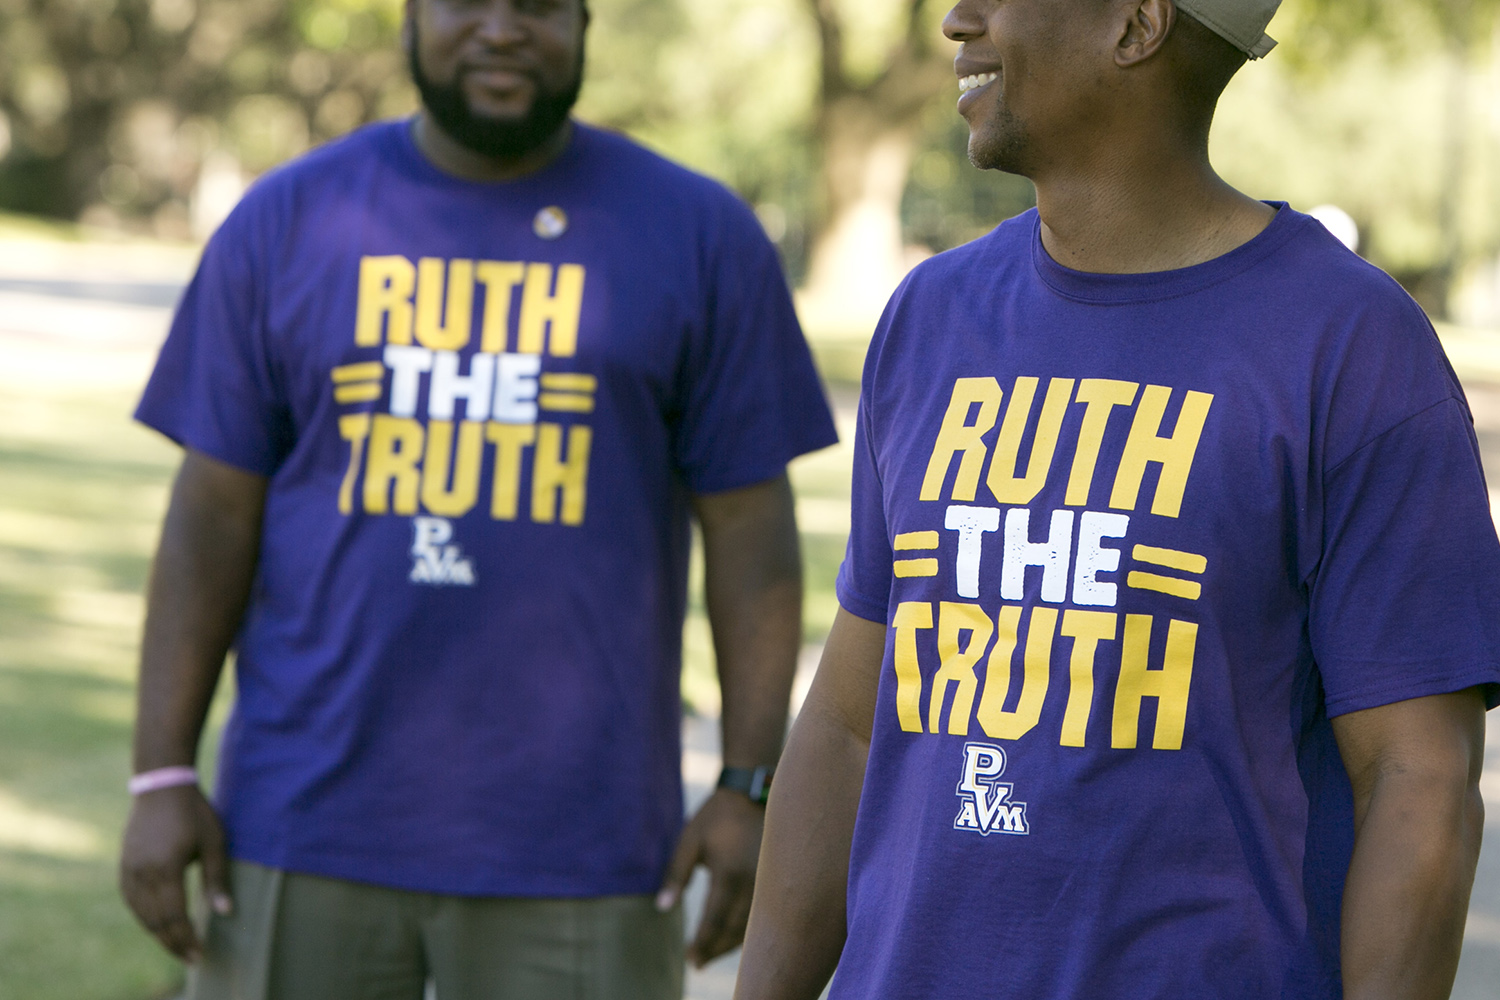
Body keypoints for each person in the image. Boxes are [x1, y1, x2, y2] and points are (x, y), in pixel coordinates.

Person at [735, 1, 1500, 998]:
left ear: (1137, 25)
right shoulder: (932, 316)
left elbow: (1418, 779)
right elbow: (845, 723)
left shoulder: (1350, 347)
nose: (957, 20)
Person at [118, 0, 838, 995]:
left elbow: (754, 538)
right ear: (411, 17)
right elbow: (212, 514)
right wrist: (161, 772)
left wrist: (748, 786)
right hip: (303, 823)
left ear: (587, 24)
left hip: (584, 849)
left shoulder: (699, 234)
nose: (502, 29)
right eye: (467, 0)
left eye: (540, 5)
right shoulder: (289, 220)